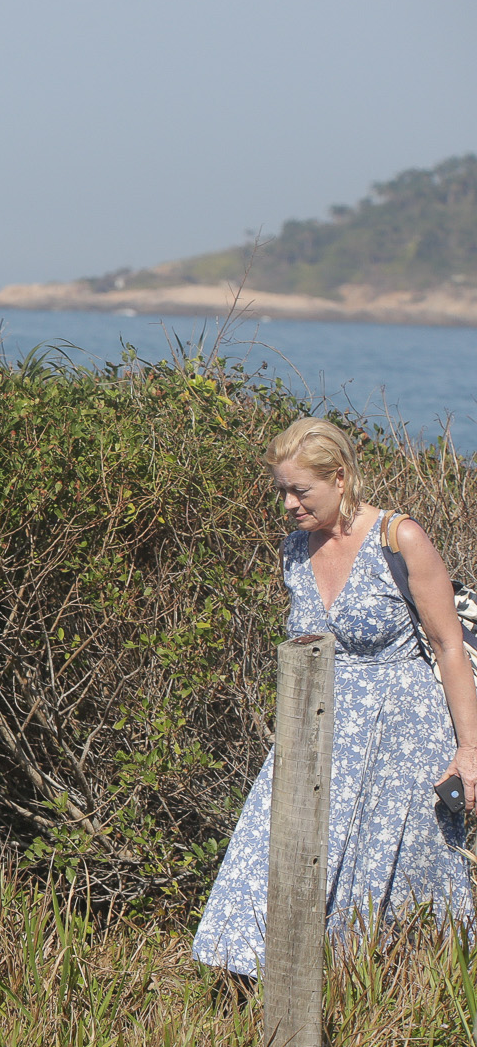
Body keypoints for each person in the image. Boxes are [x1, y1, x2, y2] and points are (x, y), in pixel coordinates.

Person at [193, 417, 477, 976]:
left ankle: (379, 992)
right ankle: (262, 985)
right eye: (281, 491)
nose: (289, 504)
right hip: (316, 730)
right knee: (274, 846)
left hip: (402, 734)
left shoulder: (400, 537)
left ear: (341, 478)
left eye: (301, 490)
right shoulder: (294, 550)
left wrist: (469, 750)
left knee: (387, 872)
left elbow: (449, 646)